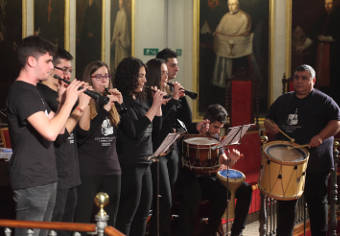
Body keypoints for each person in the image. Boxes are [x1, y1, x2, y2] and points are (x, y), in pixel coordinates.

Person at [6, 36, 86, 236]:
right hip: (31, 180)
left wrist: (62, 102)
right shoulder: (22, 92)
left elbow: (59, 129)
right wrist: (70, 102)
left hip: (46, 177)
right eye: (48, 61)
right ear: (31, 61)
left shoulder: (33, 92)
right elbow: (50, 133)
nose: (51, 67)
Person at [264, 64, 340, 236]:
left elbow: (336, 122)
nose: (299, 81)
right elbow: (268, 120)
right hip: (288, 162)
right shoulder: (283, 100)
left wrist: (320, 136)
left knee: (316, 204)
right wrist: (270, 126)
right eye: (296, 78)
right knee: (285, 205)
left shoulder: (324, 101)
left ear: (313, 81)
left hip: (316, 162)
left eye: (304, 78)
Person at [175, 104, 252, 236]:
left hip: (212, 178)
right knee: (222, 193)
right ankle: (209, 231)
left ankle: (236, 232)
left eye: (220, 128)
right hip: (194, 180)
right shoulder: (190, 134)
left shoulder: (215, 137)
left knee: (246, 189)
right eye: (215, 127)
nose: (217, 131)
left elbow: (224, 162)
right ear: (206, 121)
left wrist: (232, 160)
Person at [37, 48, 91, 231]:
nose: (68, 75)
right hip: (55, 173)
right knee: (54, 228)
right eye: (64, 69)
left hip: (71, 173)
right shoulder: (41, 95)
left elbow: (84, 131)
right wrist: (77, 107)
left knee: (68, 228)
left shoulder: (68, 95)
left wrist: (84, 101)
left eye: (70, 70)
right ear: (51, 68)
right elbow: (59, 136)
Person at [115, 57, 166, 236]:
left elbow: (156, 129)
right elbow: (134, 131)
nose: (145, 80)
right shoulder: (121, 100)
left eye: (145, 76)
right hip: (130, 163)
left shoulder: (142, 99)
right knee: (128, 214)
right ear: (130, 77)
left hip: (146, 161)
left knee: (144, 213)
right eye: (141, 76)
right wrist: (154, 107)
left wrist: (157, 105)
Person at [74, 61, 123, 227]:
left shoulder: (110, 101)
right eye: (99, 77)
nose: (104, 81)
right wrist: (104, 111)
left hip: (112, 169)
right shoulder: (85, 100)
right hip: (89, 169)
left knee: (110, 222)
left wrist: (121, 106)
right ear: (90, 79)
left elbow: (125, 136)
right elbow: (84, 135)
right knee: (84, 219)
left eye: (107, 76)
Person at [145, 58, 185, 236]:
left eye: (165, 72)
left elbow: (170, 123)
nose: (166, 76)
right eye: (162, 72)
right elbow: (157, 129)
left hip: (169, 152)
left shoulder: (163, 94)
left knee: (167, 203)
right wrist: (174, 101)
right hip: (154, 155)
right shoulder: (149, 97)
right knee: (163, 202)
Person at [212, 0, 252, 88]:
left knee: (238, 70)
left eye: (233, 4)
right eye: (229, 5)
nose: (231, 7)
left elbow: (245, 33)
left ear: (238, 5)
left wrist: (230, 37)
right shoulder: (225, 17)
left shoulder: (244, 16)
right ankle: (222, 83)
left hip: (240, 50)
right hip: (224, 46)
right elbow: (218, 31)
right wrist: (218, 34)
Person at [111, 0, 130, 70]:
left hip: (122, 41)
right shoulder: (118, 13)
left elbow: (124, 29)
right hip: (117, 40)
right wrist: (114, 38)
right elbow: (115, 28)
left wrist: (120, 37)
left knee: (122, 58)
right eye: (119, 2)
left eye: (121, 2)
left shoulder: (124, 14)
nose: (120, 4)